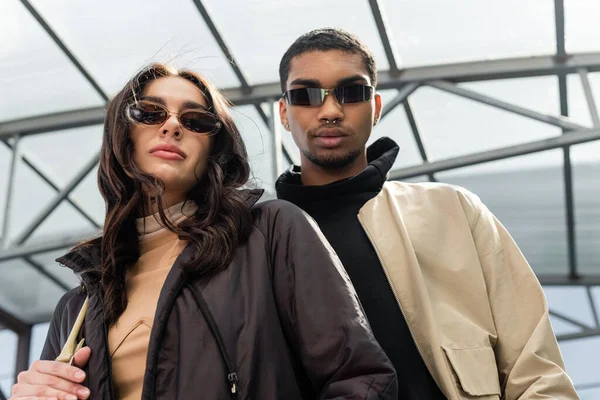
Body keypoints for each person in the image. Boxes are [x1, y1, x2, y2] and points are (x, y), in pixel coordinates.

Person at [10, 63, 398, 400]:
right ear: (121, 136)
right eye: (149, 113)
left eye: (196, 120)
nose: (173, 125)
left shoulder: (271, 233)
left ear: (214, 151)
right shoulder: (77, 306)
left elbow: (361, 381)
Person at [276, 28, 579, 400]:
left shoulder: (452, 212)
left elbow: (537, 371)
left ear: (376, 108)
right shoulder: (256, 239)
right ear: (284, 113)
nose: (330, 111)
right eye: (306, 95)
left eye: (352, 92)